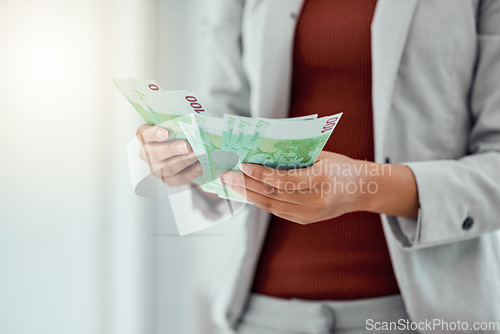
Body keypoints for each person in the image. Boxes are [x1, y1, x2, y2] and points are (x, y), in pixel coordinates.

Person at [137, 0, 500, 333]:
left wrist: (364, 185)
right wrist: (184, 161)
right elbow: (226, 129)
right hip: (263, 316)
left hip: (415, 318)